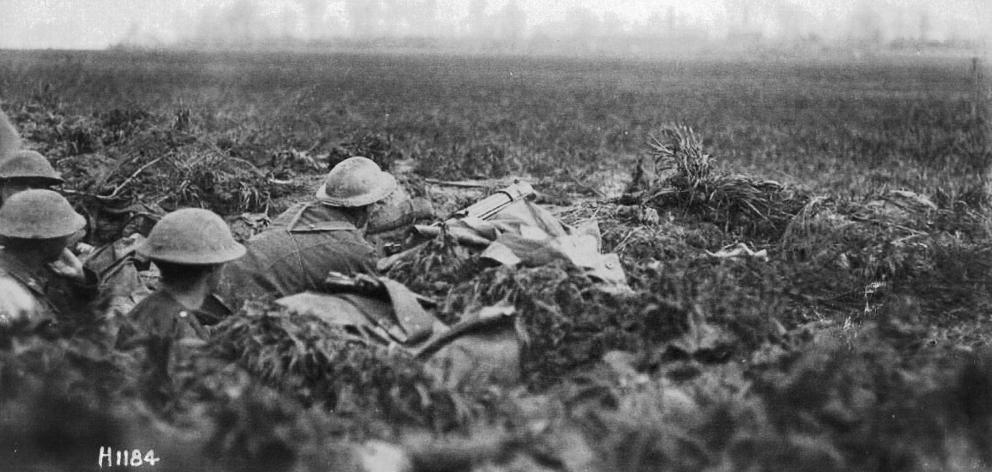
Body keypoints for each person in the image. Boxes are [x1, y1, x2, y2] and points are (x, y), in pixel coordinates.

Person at [219, 156, 396, 306]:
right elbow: (383, 295)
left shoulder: (298, 210)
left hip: (217, 282)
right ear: (365, 207)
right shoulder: (358, 251)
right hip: (238, 309)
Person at [122, 208, 246, 341]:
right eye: (223, 263)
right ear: (213, 267)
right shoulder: (176, 325)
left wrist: (228, 329)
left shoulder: (151, 307)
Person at [0, 189, 98, 333]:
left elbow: (77, 317)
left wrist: (81, 279)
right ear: (46, 243)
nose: (67, 242)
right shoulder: (7, 291)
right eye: (63, 236)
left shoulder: (39, 271)